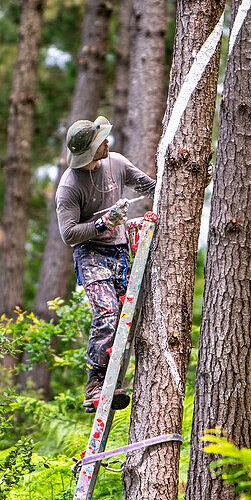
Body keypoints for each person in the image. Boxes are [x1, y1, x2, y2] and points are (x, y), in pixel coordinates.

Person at [56, 116, 156, 412]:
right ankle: (95, 384)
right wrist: (102, 223)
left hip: (120, 249)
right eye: (101, 142)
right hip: (90, 253)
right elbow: (68, 234)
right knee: (108, 311)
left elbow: (151, 187)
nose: (107, 143)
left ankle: (115, 380)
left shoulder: (117, 163)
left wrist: (194, 180)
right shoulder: (69, 187)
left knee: (127, 313)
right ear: (88, 151)